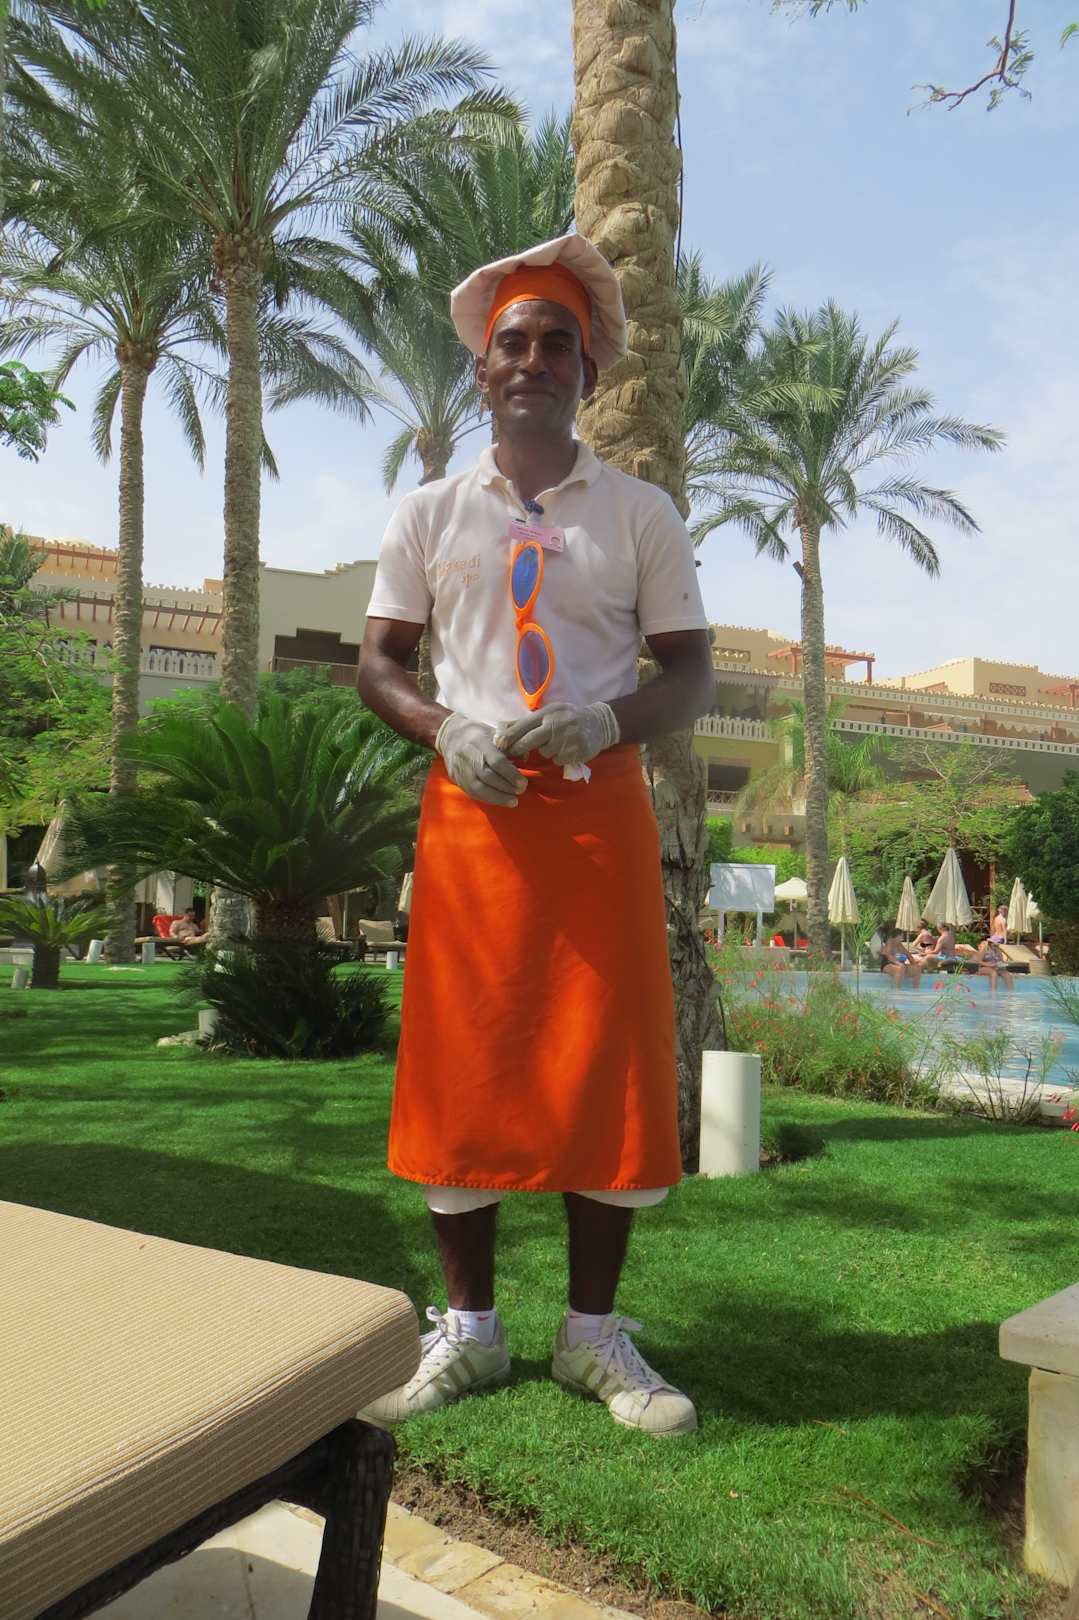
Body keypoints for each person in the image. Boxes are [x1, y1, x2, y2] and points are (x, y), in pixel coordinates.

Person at [355, 235, 714, 1437]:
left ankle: (590, 1335)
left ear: (587, 371)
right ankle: (468, 1331)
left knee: (603, 1056)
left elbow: (689, 673)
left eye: (556, 341)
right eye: (512, 341)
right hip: (473, 817)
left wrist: (608, 719)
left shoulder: (641, 514)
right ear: (481, 368)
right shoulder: (426, 513)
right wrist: (443, 729)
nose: (532, 359)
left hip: (597, 819)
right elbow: (378, 662)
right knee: (462, 1055)